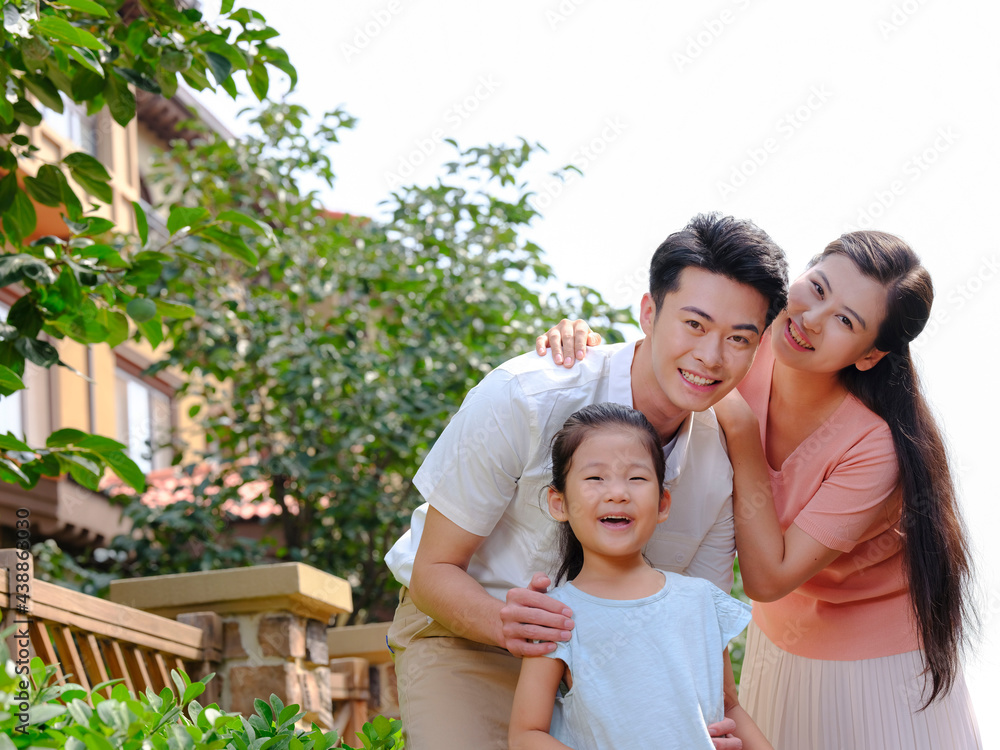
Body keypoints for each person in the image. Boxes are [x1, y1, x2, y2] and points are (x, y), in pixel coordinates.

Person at [540, 230, 982, 749]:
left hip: (879, 663)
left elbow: (767, 577)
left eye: (845, 321)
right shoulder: (742, 344)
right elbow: (664, 346)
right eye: (817, 289)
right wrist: (585, 343)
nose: (811, 320)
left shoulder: (874, 446)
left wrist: (744, 432)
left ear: (869, 355)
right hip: (779, 645)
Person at [384, 212, 788, 750]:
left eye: (739, 338)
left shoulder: (721, 459)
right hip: (467, 633)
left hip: (610, 668)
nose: (710, 357)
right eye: (694, 324)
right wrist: (505, 622)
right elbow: (433, 568)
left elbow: (694, 629)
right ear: (649, 312)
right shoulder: (528, 394)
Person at [508, 403, 752, 750]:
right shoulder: (555, 617)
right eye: (595, 478)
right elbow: (526, 734)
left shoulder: (701, 600)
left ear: (662, 503)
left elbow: (729, 707)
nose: (618, 493)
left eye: (636, 478)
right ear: (558, 503)